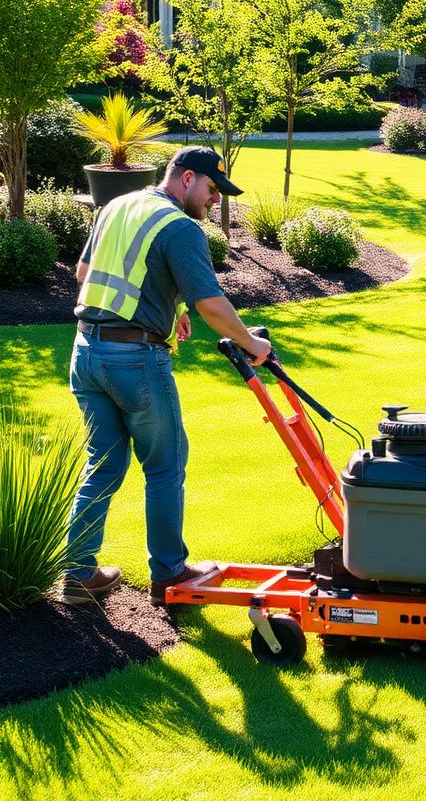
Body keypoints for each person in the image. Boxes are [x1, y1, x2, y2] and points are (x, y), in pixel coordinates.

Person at [64, 146, 272, 605]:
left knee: (103, 464)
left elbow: (85, 273)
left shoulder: (118, 206)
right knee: (164, 464)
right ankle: (170, 573)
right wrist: (251, 344)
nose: (215, 200)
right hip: (135, 360)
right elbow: (213, 305)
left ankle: (78, 573)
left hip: (86, 351)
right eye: (213, 189)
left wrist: (167, 307)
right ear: (187, 179)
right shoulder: (180, 228)